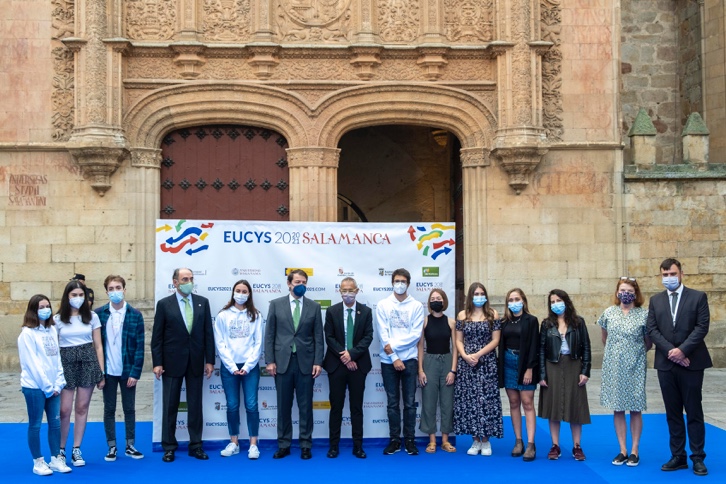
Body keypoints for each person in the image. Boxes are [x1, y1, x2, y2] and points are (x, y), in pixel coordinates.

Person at [647, 258, 711, 476]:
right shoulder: (656, 300)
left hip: (692, 362)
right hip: (666, 364)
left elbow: (702, 327)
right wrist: (672, 352)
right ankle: (678, 456)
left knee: (693, 410)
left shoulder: (698, 297)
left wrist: (683, 350)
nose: (669, 278)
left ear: (681, 274)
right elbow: (652, 329)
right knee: (672, 412)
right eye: (664, 275)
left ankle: (698, 457)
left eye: (672, 274)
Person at [151, 268, 215, 463]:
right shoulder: (164, 304)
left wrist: (210, 360)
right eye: (185, 279)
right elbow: (157, 337)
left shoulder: (203, 302)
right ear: (175, 282)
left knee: (195, 405)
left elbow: (208, 335)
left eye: (191, 278)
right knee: (170, 405)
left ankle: (196, 445)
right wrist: (157, 363)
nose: (189, 281)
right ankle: (169, 447)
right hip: (171, 363)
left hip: (196, 361)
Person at [265, 269, 324, 460]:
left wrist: (317, 361)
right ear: (289, 284)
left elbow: (318, 337)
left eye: (304, 282)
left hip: (306, 363)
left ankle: (306, 444)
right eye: (297, 282)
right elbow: (270, 335)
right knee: (283, 406)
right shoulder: (276, 304)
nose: (301, 285)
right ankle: (284, 444)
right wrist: (270, 360)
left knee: (306, 406)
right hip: (282, 362)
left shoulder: (314, 307)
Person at [597, 277, 650, 467]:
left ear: (635, 293)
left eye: (629, 290)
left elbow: (648, 342)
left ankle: (635, 450)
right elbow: (605, 338)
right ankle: (622, 449)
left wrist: (632, 353)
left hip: (635, 366)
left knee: (635, 408)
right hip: (614, 367)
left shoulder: (643, 315)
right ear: (617, 292)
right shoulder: (608, 313)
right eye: (622, 290)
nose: (625, 293)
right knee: (617, 407)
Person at [18, 294, 72, 475]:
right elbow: (32, 364)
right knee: (35, 424)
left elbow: (56, 358)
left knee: (55, 423)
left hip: (54, 387)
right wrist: (48, 387)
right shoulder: (27, 334)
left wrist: (58, 383)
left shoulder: (51, 330)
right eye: (41, 307)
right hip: (35, 387)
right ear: (33, 310)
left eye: (47, 306)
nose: (45, 309)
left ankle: (56, 458)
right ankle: (38, 461)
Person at [95, 275, 145, 462]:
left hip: (127, 371)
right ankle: (112, 446)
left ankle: (130, 445)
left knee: (129, 408)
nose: (115, 291)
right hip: (107, 371)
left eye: (118, 287)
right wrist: (99, 374)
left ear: (124, 289)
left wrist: (135, 373)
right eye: (111, 288)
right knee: (109, 408)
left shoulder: (135, 315)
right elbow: (95, 345)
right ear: (106, 291)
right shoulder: (99, 314)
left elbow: (140, 347)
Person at [375, 268, 425, 456]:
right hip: (388, 361)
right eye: (397, 280)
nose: (400, 284)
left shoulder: (416, 306)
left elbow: (414, 336)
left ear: (408, 283)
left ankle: (410, 440)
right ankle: (395, 440)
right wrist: (394, 357)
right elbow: (382, 333)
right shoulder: (383, 304)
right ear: (392, 282)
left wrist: (393, 347)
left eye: (403, 281)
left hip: (410, 360)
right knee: (392, 403)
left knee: (410, 403)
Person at [55, 280, 105, 467]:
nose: (77, 298)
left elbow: (98, 346)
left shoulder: (92, 317)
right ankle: (60, 450)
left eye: (80, 295)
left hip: (88, 361)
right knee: (64, 410)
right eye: (73, 295)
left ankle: (77, 449)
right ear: (67, 297)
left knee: (82, 407)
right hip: (66, 362)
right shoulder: (57, 319)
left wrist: (101, 372)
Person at [323, 277, 373, 459]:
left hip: (358, 365)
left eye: (351, 290)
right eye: (344, 290)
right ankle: (333, 446)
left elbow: (368, 337)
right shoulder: (331, 311)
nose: (347, 293)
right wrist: (344, 356)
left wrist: (352, 354)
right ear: (340, 291)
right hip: (336, 365)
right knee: (336, 407)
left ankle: (358, 446)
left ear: (357, 291)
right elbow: (329, 337)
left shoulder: (366, 312)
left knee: (356, 407)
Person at [538, 289, 591, 461]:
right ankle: (555, 445)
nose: (555, 304)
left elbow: (587, 347)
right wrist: (542, 374)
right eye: (552, 302)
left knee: (575, 406)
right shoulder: (546, 324)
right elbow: (541, 351)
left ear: (566, 301)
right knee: (553, 406)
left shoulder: (578, 322)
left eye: (558, 300)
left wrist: (585, 371)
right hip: (552, 365)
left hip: (573, 364)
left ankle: (577, 446)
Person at [214, 280, 264, 460]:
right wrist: (233, 367)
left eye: (244, 291)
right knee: (232, 405)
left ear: (249, 294)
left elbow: (259, 343)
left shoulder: (256, 315)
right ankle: (234, 442)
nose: (241, 293)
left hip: (250, 367)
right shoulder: (223, 315)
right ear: (233, 292)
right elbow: (220, 344)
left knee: (251, 405)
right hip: (229, 368)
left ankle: (253, 444)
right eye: (238, 290)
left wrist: (248, 365)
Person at [453, 282, 503, 456]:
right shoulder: (462, 315)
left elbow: (496, 340)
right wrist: (466, 356)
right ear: (470, 296)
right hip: (467, 364)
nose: (479, 297)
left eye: (482, 294)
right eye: (476, 294)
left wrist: (478, 354)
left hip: (486, 362)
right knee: (470, 401)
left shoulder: (492, 314)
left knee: (486, 401)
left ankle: (486, 441)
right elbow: (458, 340)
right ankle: (475, 440)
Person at [497, 288, 539, 461]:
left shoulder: (531, 320)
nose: (514, 302)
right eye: (511, 299)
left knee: (527, 402)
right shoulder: (504, 322)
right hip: (508, 362)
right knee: (514, 402)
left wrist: (529, 368)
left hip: (525, 364)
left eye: (517, 299)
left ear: (523, 301)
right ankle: (518, 441)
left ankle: (530, 444)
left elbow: (535, 346)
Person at [417, 288, 457, 454]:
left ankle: (445, 440)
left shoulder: (451, 322)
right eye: (432, 298)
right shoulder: (424, 321)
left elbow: (455, 348)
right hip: (430, 362)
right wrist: (420, 370)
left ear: (444, 301)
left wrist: (453, 370)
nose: (436, 300)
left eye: (438, 298)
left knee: (447, 402)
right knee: (429, 402)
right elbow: (420, 347)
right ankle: (432, 440)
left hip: (447, 361)